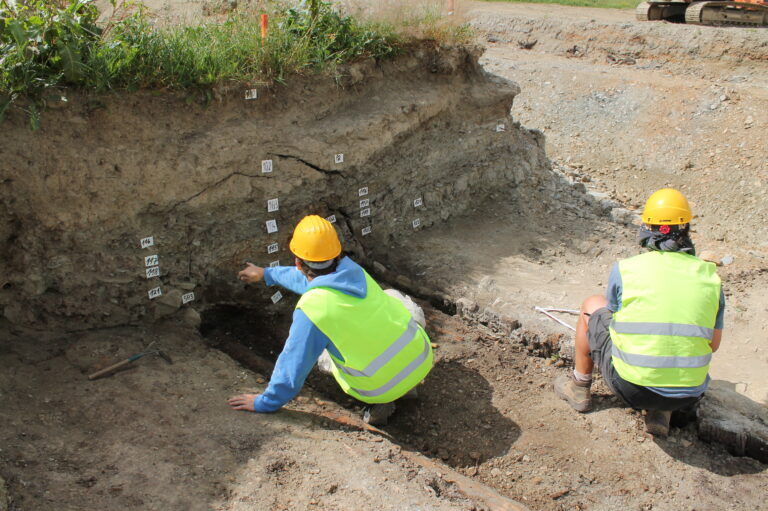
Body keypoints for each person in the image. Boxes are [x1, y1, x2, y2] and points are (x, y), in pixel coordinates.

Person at [228, 215, 433, 425]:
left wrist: (265, 402)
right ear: (337, 254)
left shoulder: (313, 310)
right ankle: (409, 384)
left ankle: (381, 402)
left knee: (324, 349)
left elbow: (293, 365)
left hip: (379, 388)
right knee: (392, 297)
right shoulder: (355, 273)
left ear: (297, 262)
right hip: (422, 358)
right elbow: (311, 280)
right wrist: (267, 273)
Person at [554, 188, 725, 437]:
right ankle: (661, 412)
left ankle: (579, 387)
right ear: (686, 228)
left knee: (591, 305)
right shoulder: (711, 278)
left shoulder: (627, 269)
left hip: (630, 388)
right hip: (688, 395)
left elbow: (612, 318)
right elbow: (713, 345)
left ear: (648, 228)